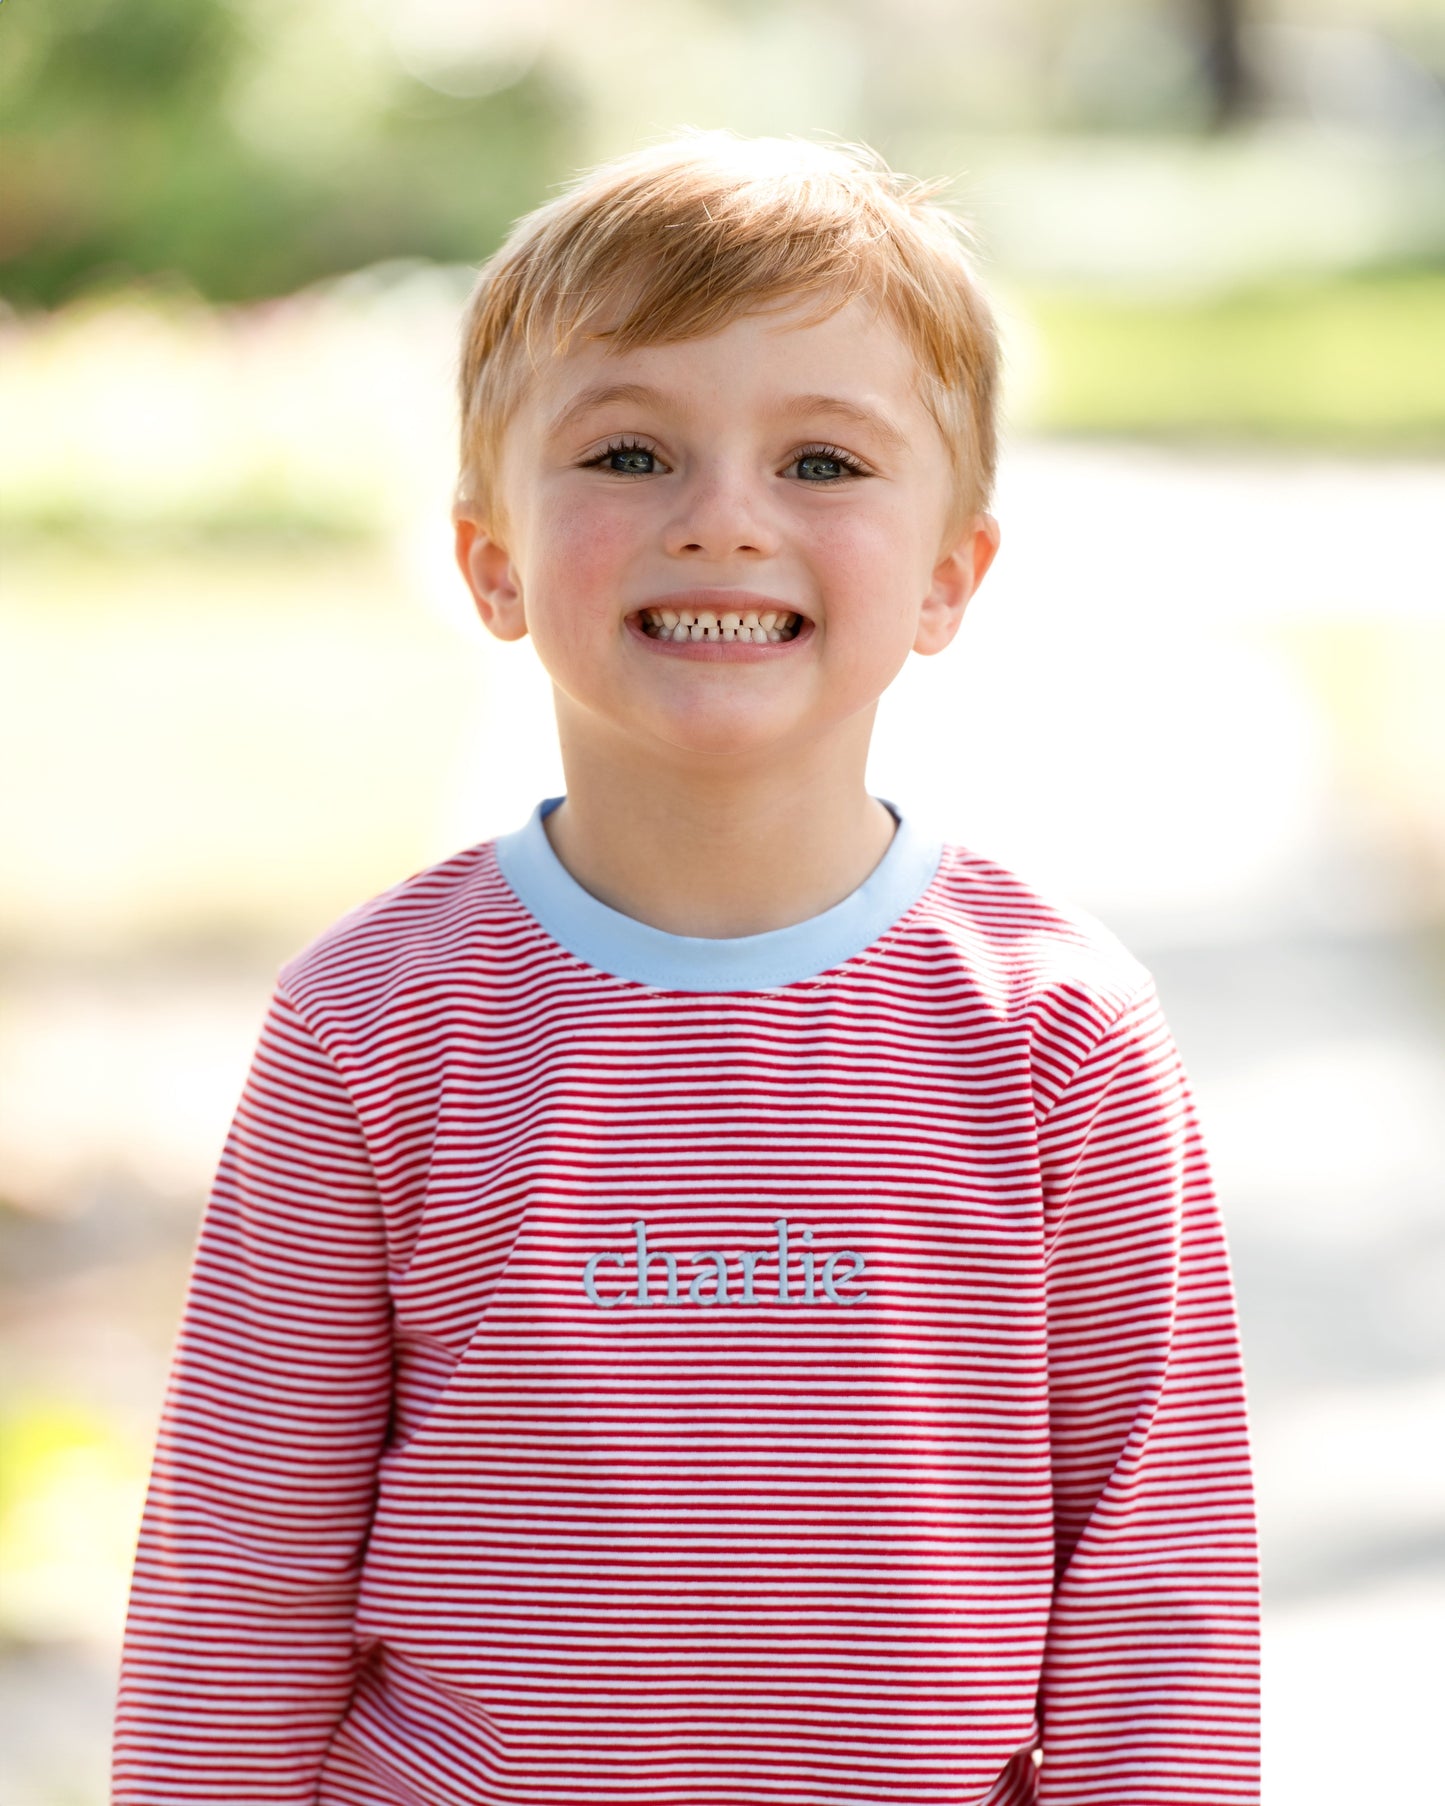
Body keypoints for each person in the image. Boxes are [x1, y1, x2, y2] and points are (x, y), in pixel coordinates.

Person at [111, 129, 1261, 1804]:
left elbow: (1153, 1587)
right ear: (489, 558)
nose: (723, 522)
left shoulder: (1055, 1030)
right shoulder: (371, 1021)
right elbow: (240, 1561)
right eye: (632, 452)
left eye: (821, 464)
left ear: (951, 574)